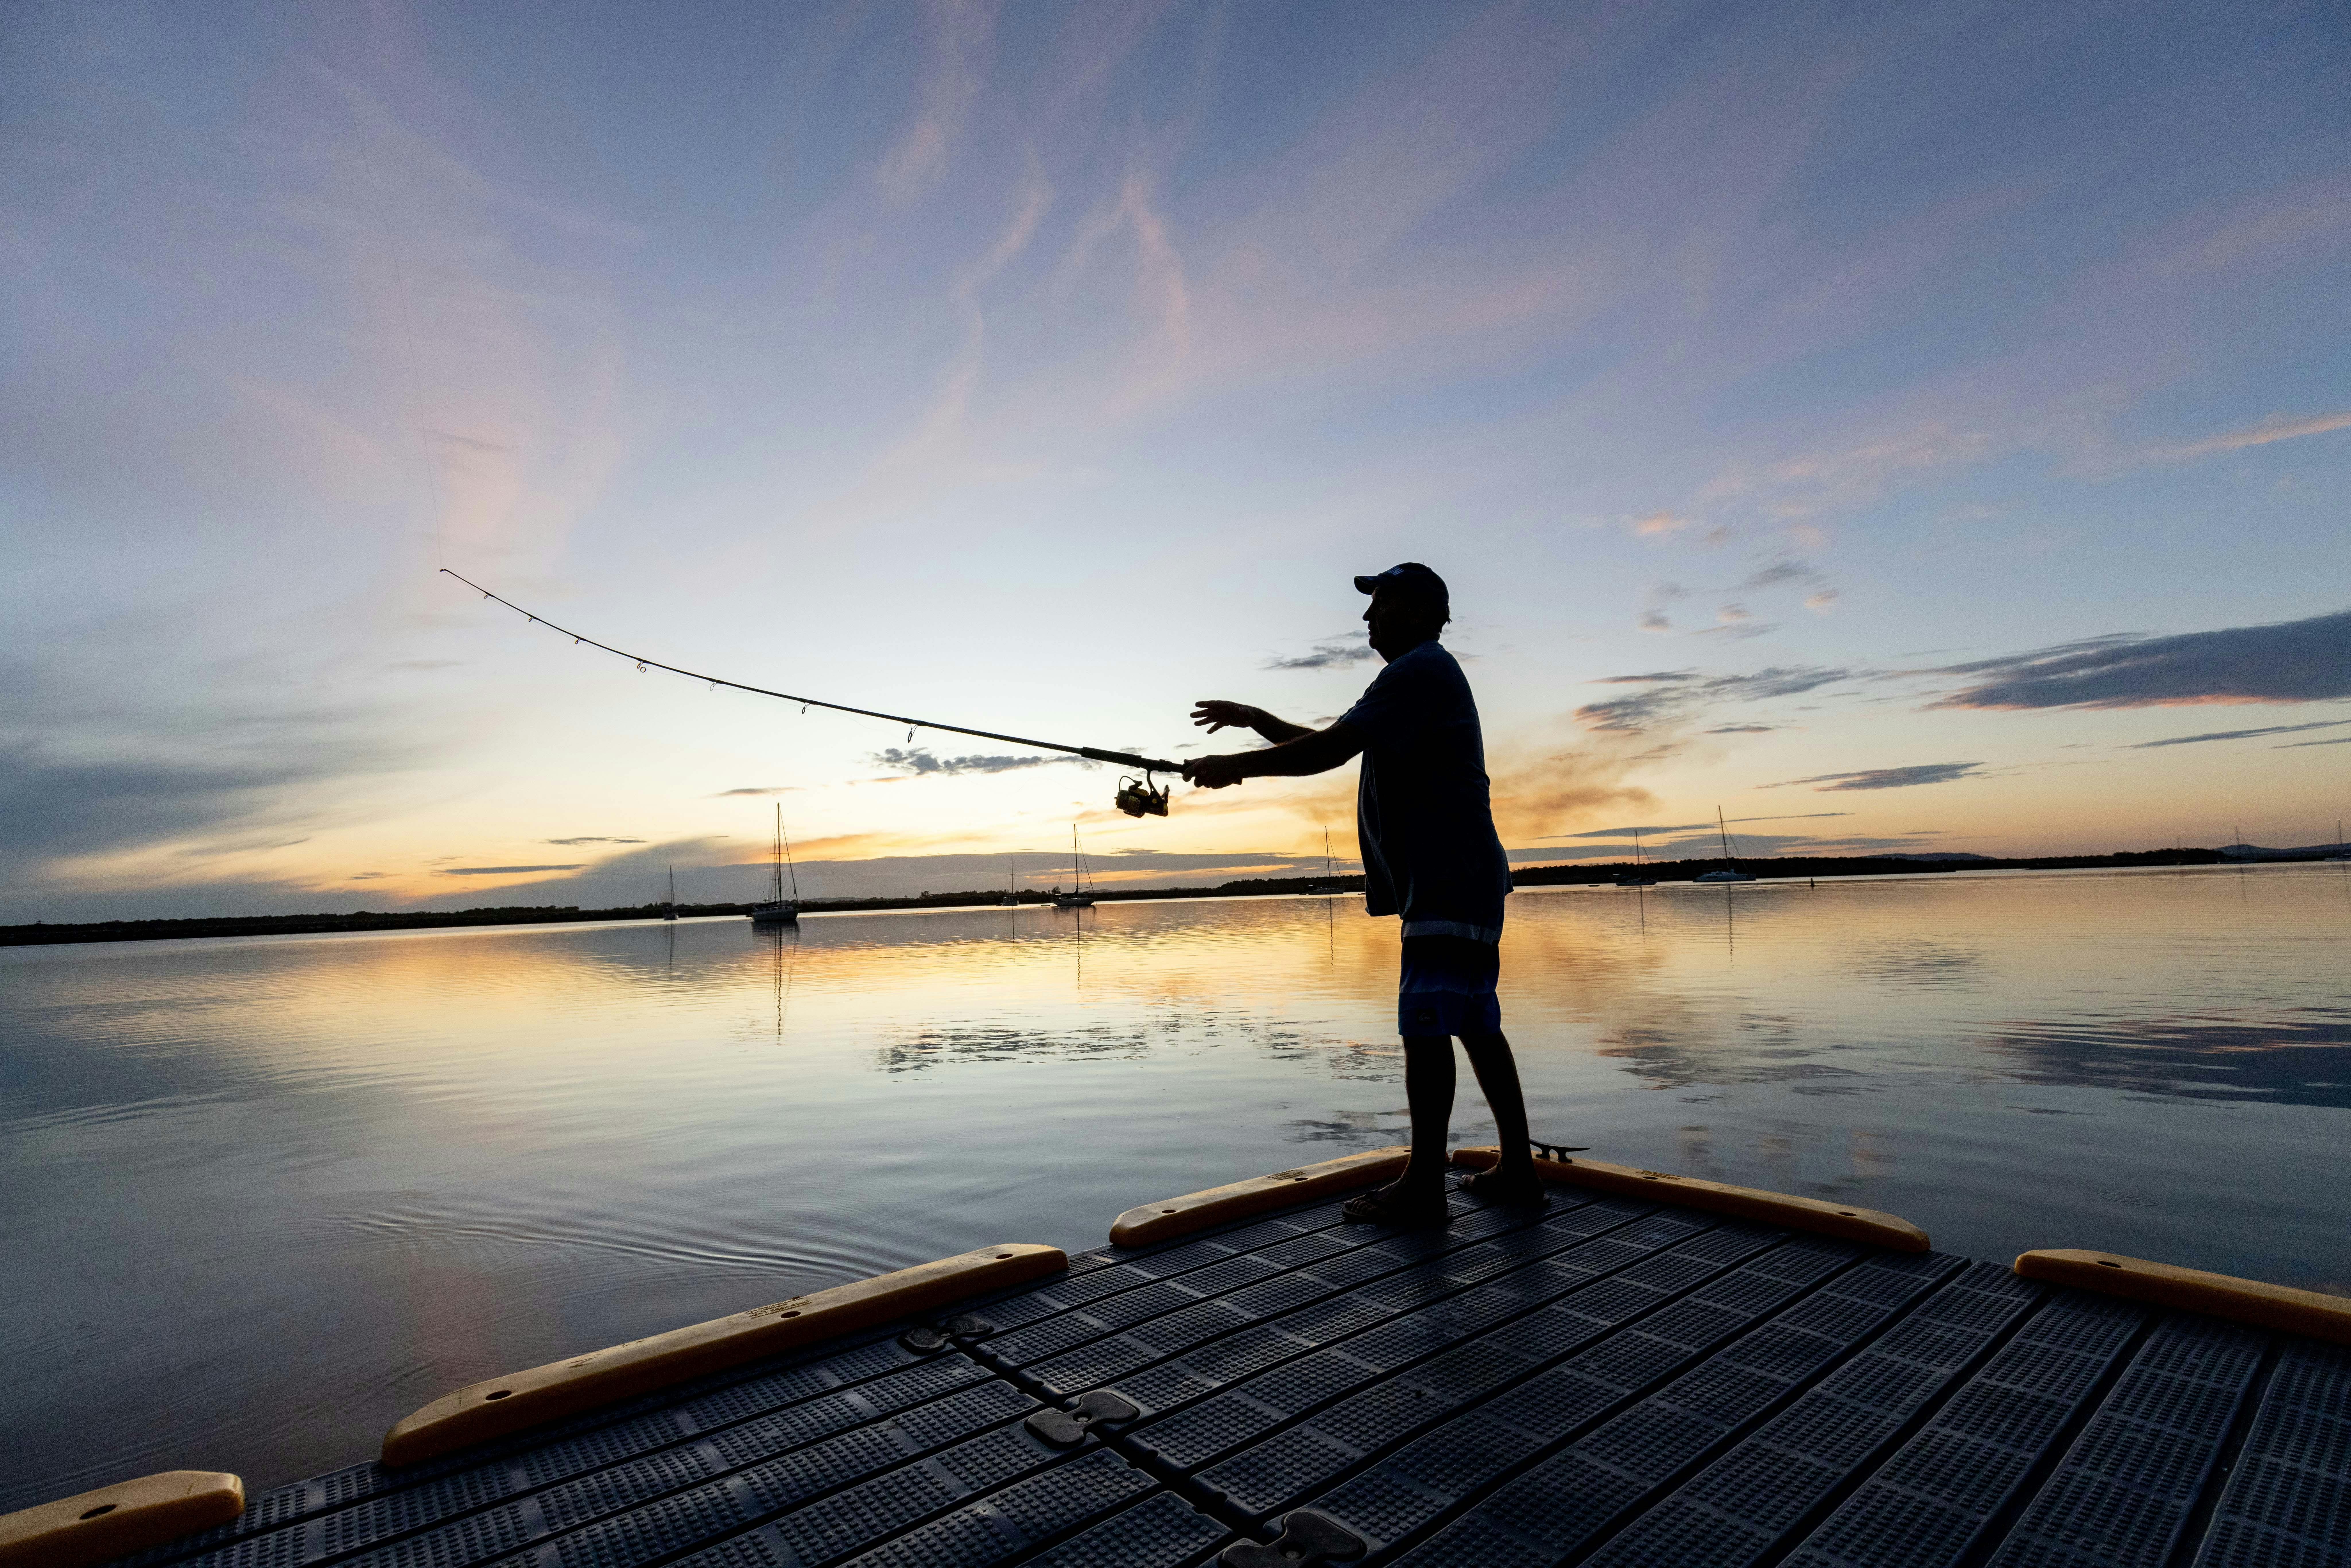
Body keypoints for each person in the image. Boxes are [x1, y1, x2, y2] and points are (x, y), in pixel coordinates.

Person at [1183, 562, 1543, 1225]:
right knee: (1473, 1023)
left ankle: (1424, 1190)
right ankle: (1517, 1169)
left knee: (1429, 1027)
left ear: (1420, 611)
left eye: (1382, 604)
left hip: (1446, 877)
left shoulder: (1418, 671)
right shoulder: (1416, 677)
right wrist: (1254, 720)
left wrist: (1233, 767)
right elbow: (1328, 744)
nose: (1368, 618)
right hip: (1460, 876)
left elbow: (1327, 751)